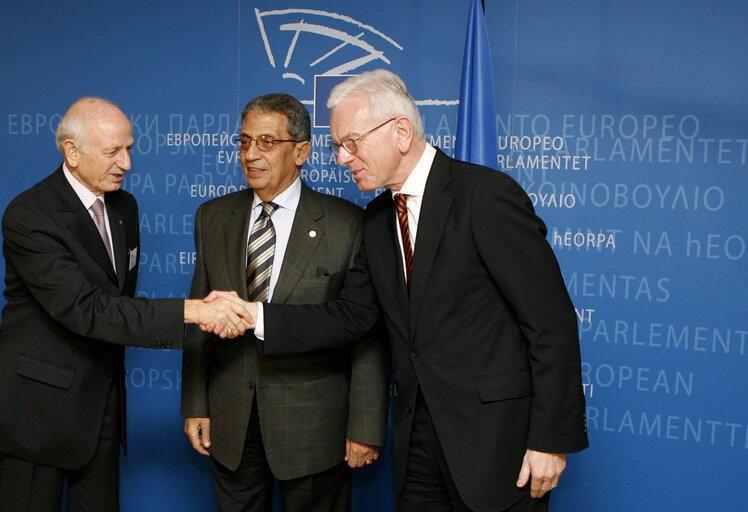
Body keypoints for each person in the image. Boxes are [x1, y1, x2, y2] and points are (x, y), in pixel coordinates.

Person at [210, 69, 589, 511]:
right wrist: (256, 316)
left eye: (351, 142)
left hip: (497, 445)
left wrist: (549, 440)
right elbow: (351, 316)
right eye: (337, 146)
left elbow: (551, 322)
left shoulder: (484, 196)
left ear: (401, 132)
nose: (341, 158)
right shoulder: (376, 220)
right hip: (419, 446)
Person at [0, 97, 251, 512]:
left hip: (101, 408)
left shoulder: (124, 207)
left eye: (129, 148)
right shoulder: (29, 215)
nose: (127, 163)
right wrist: (194, 310)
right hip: (37, 414)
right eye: (113, 151)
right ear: (72, 152)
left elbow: (118, 304)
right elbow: (89, 309)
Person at [181, 93, 390, 512]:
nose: (251, 154)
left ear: (301, 151)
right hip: (231, 419)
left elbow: (364, 332)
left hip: (314, 427)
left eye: (266, 142)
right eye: (243, 142)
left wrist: (365, 426)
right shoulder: (212, 217)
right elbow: (199, 316)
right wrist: (196, 404)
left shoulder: (349, 225)